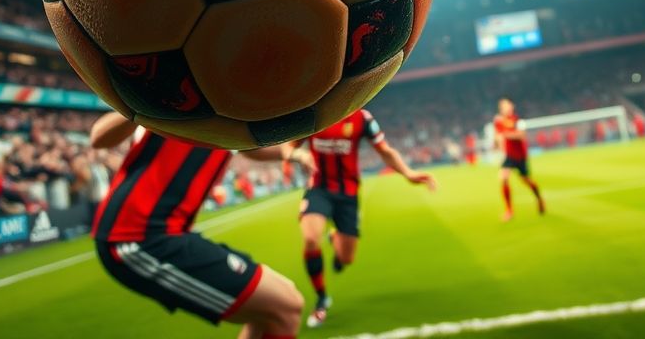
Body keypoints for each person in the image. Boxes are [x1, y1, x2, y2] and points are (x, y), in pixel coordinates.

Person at [90, 112, 306, 338]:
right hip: (137, 236)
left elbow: (247, 147)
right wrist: (138, 103)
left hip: (165, 234)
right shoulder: (173, 98)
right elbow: (98, 137)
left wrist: (291, 154)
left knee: (276, 307)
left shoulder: (228, 111)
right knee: (285, 306)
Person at [291, 108, 437, 328]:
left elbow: (385, 151)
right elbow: (289, 145)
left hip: (348, 194)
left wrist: (409, 173)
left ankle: (335, 238)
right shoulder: (313, 113)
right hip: (318, 189)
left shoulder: (362, 118)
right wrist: (289, 158)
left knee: (347, 259)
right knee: (311, 238)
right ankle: (321, 299)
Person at [493, 97, 544, 221]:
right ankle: (509, 210)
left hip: (520, 156)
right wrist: (499, 148)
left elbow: (521, 136)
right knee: (504, 178)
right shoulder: (499, 121)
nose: (505, 108)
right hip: (509, 155)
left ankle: (539, 198)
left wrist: (506, 134)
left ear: (512, 106)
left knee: (527, 180)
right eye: (503, 106)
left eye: (507, 105)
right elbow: (498, 138)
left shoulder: (518, 120)